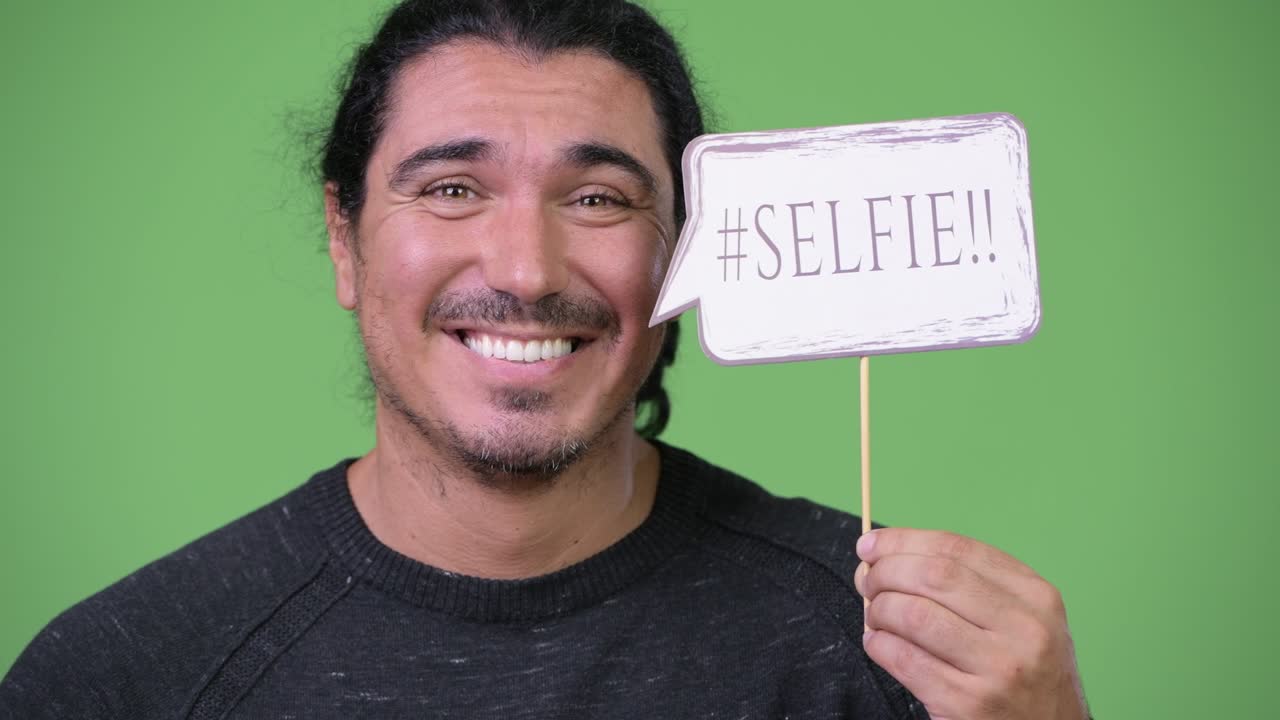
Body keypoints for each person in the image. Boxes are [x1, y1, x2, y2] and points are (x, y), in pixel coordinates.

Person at [0, 1, 1090, 718]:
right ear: (343, 235)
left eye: (599, 199)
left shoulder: (902, 658)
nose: (525, 268)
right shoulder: (121, 678)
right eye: (452, 188)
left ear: (681, 251)